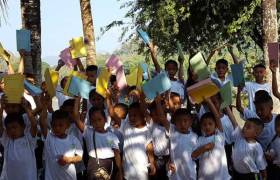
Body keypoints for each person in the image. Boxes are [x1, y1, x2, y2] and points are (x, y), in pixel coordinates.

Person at [73, 100, 123, 180]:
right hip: (93, 164)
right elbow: (76, 118)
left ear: (105, 120)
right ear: (90, 122)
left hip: (109, 164)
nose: (97, 123)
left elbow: (117, 155)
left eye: (99, 120)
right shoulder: (88, 132)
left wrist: (120, 171)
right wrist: (77, 99)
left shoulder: (111, 137)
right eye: (93, 121)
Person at [192, 97, 231, 180]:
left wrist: (209, 102)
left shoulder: (219, 135)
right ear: (201, 126)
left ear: (216, 125)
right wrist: (204, 148)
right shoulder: (199, 139)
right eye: (204, 124)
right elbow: (193, 155)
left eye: (210, 124)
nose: (207, 126)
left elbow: (216, 116)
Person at [39, 108, 83, 180]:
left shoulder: (73, 140)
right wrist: (44, 106)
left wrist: (68, 160)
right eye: (54, 125)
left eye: (60, 125)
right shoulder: (49, 138)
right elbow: (41, 122)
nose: (57, 128)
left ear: (67, 125)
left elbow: (79, 157)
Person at [0, 98, 37, 180]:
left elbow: (34, 124)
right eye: (9, 128)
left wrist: (26, 108)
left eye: (14, 127)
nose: (12, 130)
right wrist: (1, 107)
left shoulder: (29, 139)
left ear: (23, 127)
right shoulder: (7, 140)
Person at [227, 107, 267, 180]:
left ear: (256, 133)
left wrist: (264, 177)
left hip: (251, 176)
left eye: (248, 127)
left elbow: (262, 165)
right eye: (245, 125)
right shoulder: (239, 135)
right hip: (237, 174)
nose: (244, 128)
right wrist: (226, 106)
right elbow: (233, 119)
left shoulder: (257, 147)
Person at [120, 102, 156, 180]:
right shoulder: (126, 126)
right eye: (130, 116)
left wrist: (152, 163)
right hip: (128, 170)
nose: (132, 118)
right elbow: (112, 114)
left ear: (143, 116)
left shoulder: (147, 130)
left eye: (135, 115)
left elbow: (149, 148)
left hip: (141, 170)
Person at [166, 108, 198, 180]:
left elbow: (196, 156)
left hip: (190, 174)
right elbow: (162, 118)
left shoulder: (194, 137)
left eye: (185, 121)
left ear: (190, 122)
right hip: (175, 174)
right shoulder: (173, 133)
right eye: (179, 121)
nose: (182, 124)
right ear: (174, 123)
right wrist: (169, 162)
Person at [265, 114, 280, 179]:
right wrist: (270, 154)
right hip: (277, 168)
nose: (278, 128)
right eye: (277, 126)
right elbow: (274, 151)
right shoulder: (275, 140)